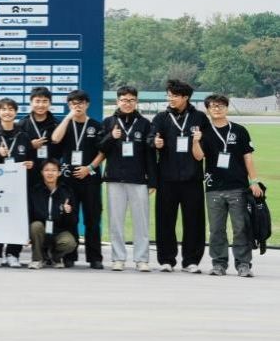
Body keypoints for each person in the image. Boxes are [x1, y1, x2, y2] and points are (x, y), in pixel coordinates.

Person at [199, 94, 263, 277]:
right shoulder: (204, 132)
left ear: (227, 108)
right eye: (213, 106)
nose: (217, 109)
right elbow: (198, 156)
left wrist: (254, 181)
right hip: (213, 187)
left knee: (241, 227)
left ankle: (243, 264)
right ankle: (219, 264)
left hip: (238, 186)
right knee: (216, 229)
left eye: (220, 106)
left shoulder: (239, 130)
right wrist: (195, 140)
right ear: (207, 110)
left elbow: (248, 157)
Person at [149, 79, 209, 272]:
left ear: (186, 97)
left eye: (175, 96)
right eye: (169, 95)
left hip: (192, 178)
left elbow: (206, 146)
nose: (171, 99)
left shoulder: (199, 117)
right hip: (167, 178)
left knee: (194, 221)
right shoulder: (161, 117)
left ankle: (191, 261)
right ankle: (167, 260)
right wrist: (155, 142)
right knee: (165, 220)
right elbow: (151, 137)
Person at [98, 86, 156, 271]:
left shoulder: (144, 124)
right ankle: (118, 258)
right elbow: (100, 148)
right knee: (116, 221)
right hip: (115, 178)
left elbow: (150, 154)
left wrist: (152, 181)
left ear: (136, 102)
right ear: (118, 101)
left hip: (138, 179)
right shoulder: (108, 122)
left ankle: (141, 259)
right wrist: (111, 136)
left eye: (131, 100)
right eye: (124, 100)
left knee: (141, 221)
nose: (127, 103)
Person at [49, 89, 105, 269]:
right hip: (68, 180)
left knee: (92, 219)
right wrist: (68, 117)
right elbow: (55, 139)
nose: (77, 106)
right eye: (73, 103)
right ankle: (70, 256)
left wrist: (89, 168)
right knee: (69, 217)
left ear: (87, 104)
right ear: (69, 105)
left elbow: (103, 152)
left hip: (90, 178)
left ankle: (94, 257)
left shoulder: (96, 126)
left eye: (80, 103)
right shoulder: (65, 124)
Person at [0, 97, 33, 267]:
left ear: (16, 112)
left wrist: (31, 164)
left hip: (17, 187)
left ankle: (13, 253)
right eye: (4, 109)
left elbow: (31, 158)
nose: (7, 112)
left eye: (11, 109)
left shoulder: (23, 135)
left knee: (17, 219)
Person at [28, 159, 79, 269]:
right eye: (46, 170)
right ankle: (37, 259)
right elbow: (30, 214)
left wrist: (67, 212)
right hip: (41, 229)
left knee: (70, 243)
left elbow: (73, 220)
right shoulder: (35, 191)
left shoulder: (66, 191)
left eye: (54, 170)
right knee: (35, 226)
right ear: (42, 172)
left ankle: (54, 257)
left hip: (58, 230)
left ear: (59, 173)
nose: (50, 173)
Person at [19, 86, 60, 171]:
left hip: (50, 171)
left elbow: (62, 149)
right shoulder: (22, 124)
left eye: (45, 101)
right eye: (37, 101)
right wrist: (30, 145)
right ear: (31, 103)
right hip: (29, 170)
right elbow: (17, 149)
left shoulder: (57, 124)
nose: (41, 105)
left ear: (50, 103)